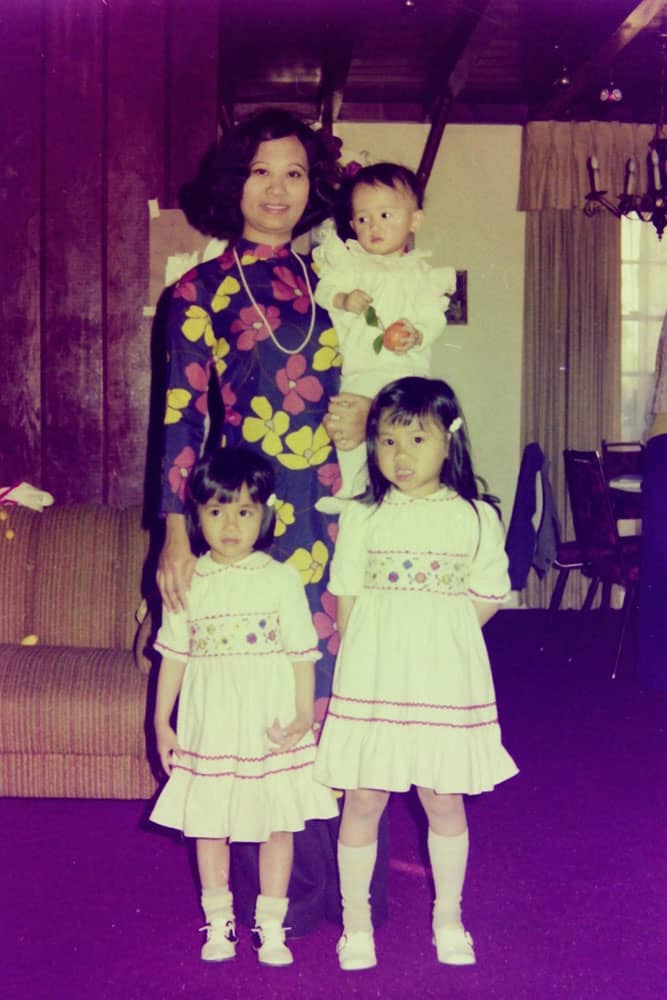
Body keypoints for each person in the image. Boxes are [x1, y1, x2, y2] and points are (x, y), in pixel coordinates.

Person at [154, 107, 386, 935]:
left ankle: (340, 887)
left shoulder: (344, 282)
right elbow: (179, 420)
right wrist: (176, 537)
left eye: (293, 171)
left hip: (338, 509)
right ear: (234, 183)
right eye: (260, 171)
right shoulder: (196, 292)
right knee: (253, 688)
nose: (278, 188)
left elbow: (391, 379)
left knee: (331, 675)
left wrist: (368, 411)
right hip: (244, 520)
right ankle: (262, 898)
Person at [314, 377, 519, 971]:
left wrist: (437, 635)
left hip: (441, 681)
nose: (399, 456)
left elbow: (485, 597)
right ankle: (356, 926)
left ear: (448, 443)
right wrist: (377, 656)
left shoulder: (477, 517)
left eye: (416, 439)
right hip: (375, 680)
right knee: (364, 797)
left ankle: (449, 917)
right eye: (386, 442)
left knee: (442, 797)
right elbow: (347, 602)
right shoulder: (364, 517)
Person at [151, 447, 338, 966]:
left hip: (269, 724)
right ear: (197, 517)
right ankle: (218, 922)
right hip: (209, 725)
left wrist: (303, 717)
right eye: (215, 511)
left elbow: (303, 655)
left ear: (265, 515)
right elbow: (174, 656)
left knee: (278, 822)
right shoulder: (189, 581)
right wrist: (161, 725)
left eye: (244, 511)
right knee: (210, 823)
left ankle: (271, 925)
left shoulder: (280, 578)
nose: (229, 524)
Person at [312, 163, 456, 506]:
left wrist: (418, 334)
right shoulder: (350, 264)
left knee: (404, 439)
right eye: (363, 219)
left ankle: (404, 493)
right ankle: (350, 490)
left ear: (414, 221)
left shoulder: (422, 274)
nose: (373, 226)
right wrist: (344, 299)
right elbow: (324, 291)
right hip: (360, 371)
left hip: (406, 377)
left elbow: (433, 317)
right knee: (348, 429)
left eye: (385, 215)